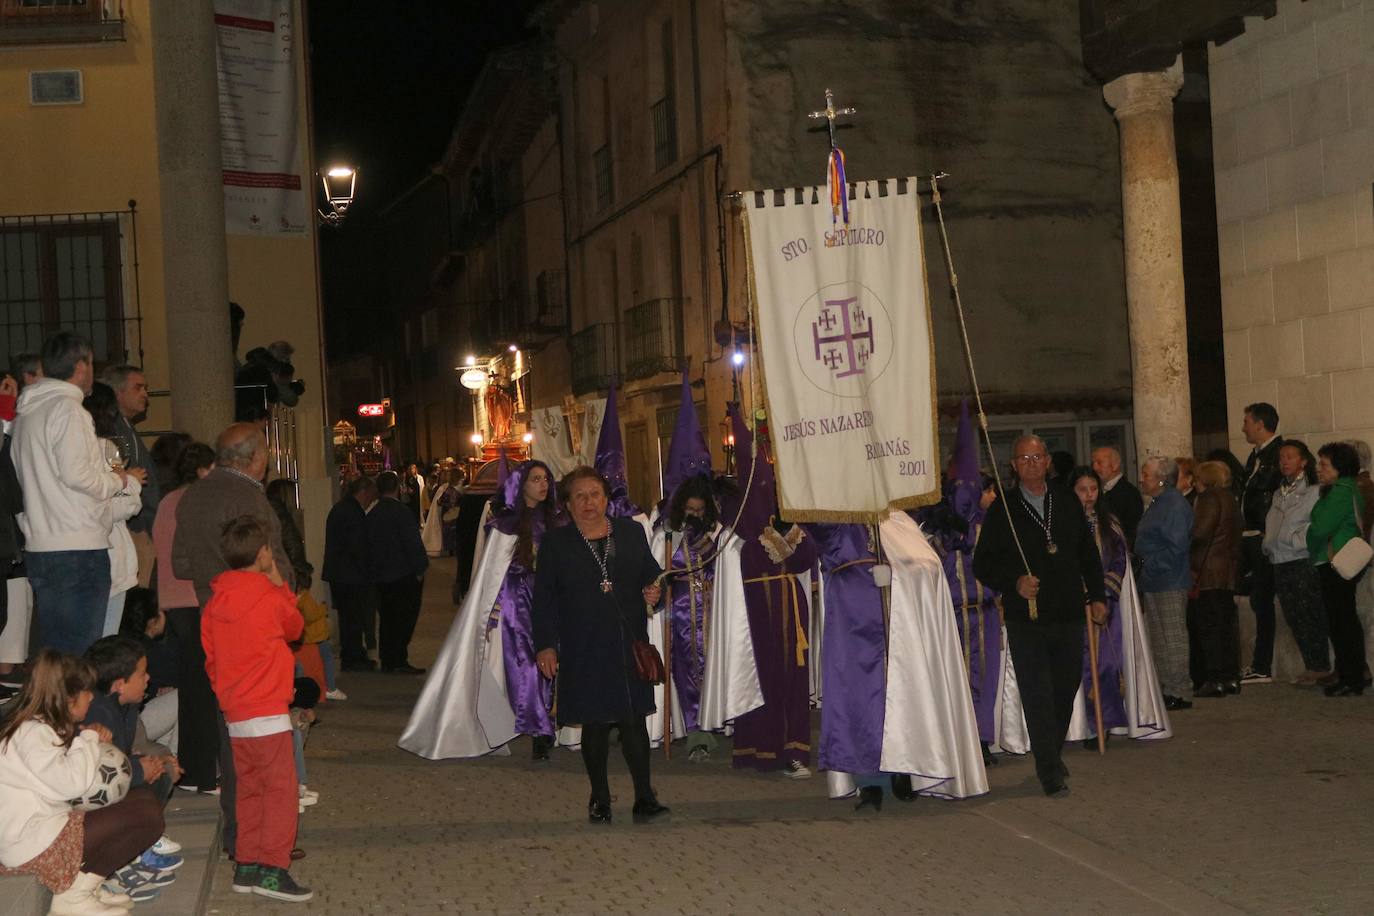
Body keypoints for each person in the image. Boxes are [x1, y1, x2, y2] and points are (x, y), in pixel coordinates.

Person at [808, 514, 989, 810]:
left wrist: (897, 574)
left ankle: (905, 769)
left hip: (901, 628)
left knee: (906, 693)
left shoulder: (899, 522)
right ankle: (869, 781)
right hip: (855, 629)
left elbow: (926, 567)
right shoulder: (838, 522)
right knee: (863, 700)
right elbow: (828, 545)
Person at [532, 466, 668, 824]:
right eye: (579, 495)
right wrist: (545, 645)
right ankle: (600, 797)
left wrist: (656, 590)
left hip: (627, 641)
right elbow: (543, 599)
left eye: (595, 494)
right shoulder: (555, 544)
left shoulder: (630, 532)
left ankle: (645, 798)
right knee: (594, 725)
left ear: (607, 499)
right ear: (567, 503)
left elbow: (652, 575)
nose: (588, 502)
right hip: (583, 644)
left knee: (633, 723)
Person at [974, 436, 1107, 798]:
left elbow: (1086, 553)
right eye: (1024, 458)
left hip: (1066, 610)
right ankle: (1049, 770)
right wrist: (1013, 582)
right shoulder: (1003, 508)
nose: (1031, 463)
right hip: (1026, 615)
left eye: (1037, 456)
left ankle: (1050, 751)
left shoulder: (1066, 500)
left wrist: (1097, 595)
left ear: (1047, 461)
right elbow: (982, 563)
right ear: (1014, 466)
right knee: (1037, 692)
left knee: (1064, 689)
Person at [0, 649, 164, 915]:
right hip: (33, 846)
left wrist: (86, 741)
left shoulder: (40, 728)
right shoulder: (32, 734)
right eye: (87, 692)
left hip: (45, 832)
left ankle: (82, 888)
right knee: (145, 815)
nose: (91, 697)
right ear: (69, 698)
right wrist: (87, 741)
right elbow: (72, 783)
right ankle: (73, 896)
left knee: (142, 801)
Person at [201, 514, 312, 902]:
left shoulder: (215, 601)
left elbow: (211, 658)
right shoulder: (266, 595)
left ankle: (246, 865)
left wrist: (228, 695)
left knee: (248, 791)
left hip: (236, 712)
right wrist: (281, 584)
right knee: (280, 793)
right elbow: (296, 628)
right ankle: (272, 870)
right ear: (263, 553)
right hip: (267, 708)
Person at [12, 331, 144, 655]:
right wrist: (121, 481)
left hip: (43, 545)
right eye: (91, 363)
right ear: (82, 365)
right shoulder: (68, 410)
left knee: (56, 654)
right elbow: (78, 475)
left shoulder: (27, 413)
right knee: (83, 656)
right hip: (78, 548)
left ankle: (52, 706)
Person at [724, 405, 818, 780]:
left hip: (789, 608)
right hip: (755, 613)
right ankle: (757, 749)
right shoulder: (737, 535)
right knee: (758, 677)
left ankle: (793, 750)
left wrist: (788, 530)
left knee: (792, 680)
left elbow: (805, 560)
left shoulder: (788, 524)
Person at [1063, 467, 1171, 747]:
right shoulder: (1063, 524)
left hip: (1105, 608)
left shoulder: (1108, 523)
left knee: (1107, 666)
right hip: (1073, 609)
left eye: (1093, 489)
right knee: (1079, 667)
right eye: (1082, 490)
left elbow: (1120, 560)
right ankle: (1083, 726)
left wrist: (1103, 593)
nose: (1088, 496)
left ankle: (1104, 721)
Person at [82, 636, 185, 882]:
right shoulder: (99, 712)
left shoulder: (126, 705)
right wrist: (138, 770)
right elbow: (96, 774)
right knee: (151, 777)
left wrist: (152, 760)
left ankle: (139, 847)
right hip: (88, 800)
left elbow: (124, 753)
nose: (148, 678)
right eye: (141, 674)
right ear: (120, 684)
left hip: (110, 787)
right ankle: (127, 855)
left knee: (160, 769)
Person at [151, 441, 215, 792]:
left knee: (191, 690)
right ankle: (202, 773)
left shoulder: (166, 501)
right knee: (204, 692)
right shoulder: (198, 502)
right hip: (196, 600)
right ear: (205, 469)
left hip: (173, 602)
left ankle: (191, 770)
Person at [1262, 440, 1328, 686]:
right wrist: (1268, 544)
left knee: (1309, 613)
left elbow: (1312, 523)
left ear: (1303, 461)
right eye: (1281, 458)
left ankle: (1320, 665)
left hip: (1300, 558)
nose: (1284, 462)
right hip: (1279, 559)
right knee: (1293, 615)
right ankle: (1311, 664)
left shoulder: (1313, 490)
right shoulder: (1280, 492)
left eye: (1289, 457)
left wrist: (1297, 541)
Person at [82, 382, 143, 640]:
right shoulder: (104, 448)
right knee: (105, 636)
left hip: (80, 550)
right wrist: (132, 482)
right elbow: (119, 506)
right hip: (108, 551)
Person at [1135, 455, 1195, 711]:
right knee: (1159, 638)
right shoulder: (1160, 503)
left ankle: (1179, 691)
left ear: (1160, 479)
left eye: (1146, 475)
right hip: (1155, 580)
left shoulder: (1173, 505)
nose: (1142, 479)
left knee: (1172, 638)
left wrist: (1149, 564)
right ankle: (1166, 687)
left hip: (1169, 579)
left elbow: (1176, 546)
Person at [1309, 442, 1367, 697]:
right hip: (1338, 560)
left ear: (1339, 468)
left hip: (1335, 561)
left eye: (1324, 464)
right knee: (1342, 621)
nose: (1318, 469)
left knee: (1342, 622)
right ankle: (1350, 674)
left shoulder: (1341, 491)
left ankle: (1351, 677)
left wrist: (1310, 536)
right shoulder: (1344, 489)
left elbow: (1320, 528)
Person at [100, 365, 158, 587]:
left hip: (140, 523)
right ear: (118, 393)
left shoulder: (126, 426)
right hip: (133, 525)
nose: (145, 394)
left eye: (145, 388)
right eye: (138, 388)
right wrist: (139, 525)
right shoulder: (113, 428)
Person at [1189, 461, 1243, 698]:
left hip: (1208, 570)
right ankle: (1231, 676)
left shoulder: (1210, 498)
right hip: (1226, 570)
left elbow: (1201, 532)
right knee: (1225, 626)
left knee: (1209, 627)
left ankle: (1215, 678)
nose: (1193, 482)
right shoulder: (1230, 498)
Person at [366, 471, 429, 675]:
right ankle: (398, 658)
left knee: (387, 618)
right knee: (403, 618)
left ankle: (388, 658)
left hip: (381, 576)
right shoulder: (401, 512)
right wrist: (420, 568)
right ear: (397, 488)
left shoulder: (373, 514)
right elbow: (412, 542)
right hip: (403, 574)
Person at [1239, 402, 1283, 684]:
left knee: (1264, 600)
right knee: (1257, 599)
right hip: (1252, 536)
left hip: (1266, 537)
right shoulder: (1255, 456)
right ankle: (1259, 663)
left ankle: (1263, 665)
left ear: (1259, 424)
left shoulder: (1278, 454)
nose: (1243, 427)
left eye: (1246, 422)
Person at [323, 476, 378, 672]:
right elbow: (357, 546)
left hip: (342, 574)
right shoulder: (352, 512)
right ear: (363, 492)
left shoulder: (342, 509)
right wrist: (369, 569)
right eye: (371, 496)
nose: (372, 500)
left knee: (349, 617)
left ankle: (354, 654)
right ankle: (353, 657)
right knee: (353, 617)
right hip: (349, 575)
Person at [1091, 446, 1143, 548]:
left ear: (1115, 465)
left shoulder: (1128, 493)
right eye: (1093, 463)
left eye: (1099, 463)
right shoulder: (1100, 491)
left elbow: (1130, 530)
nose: (1094, 468)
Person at [266, 479, 310, 587]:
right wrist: (302, 576)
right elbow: (294, 548)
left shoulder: (266, 511)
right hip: (288, 575)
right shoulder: (283, 517)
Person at [421, 466, 461, 558]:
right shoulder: (444, 488)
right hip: (448, 514)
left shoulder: (448, 488)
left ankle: (452, 548)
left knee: (452, 532)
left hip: (452, 514)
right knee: (450, 532)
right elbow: (439, 501)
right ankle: (451, 549)